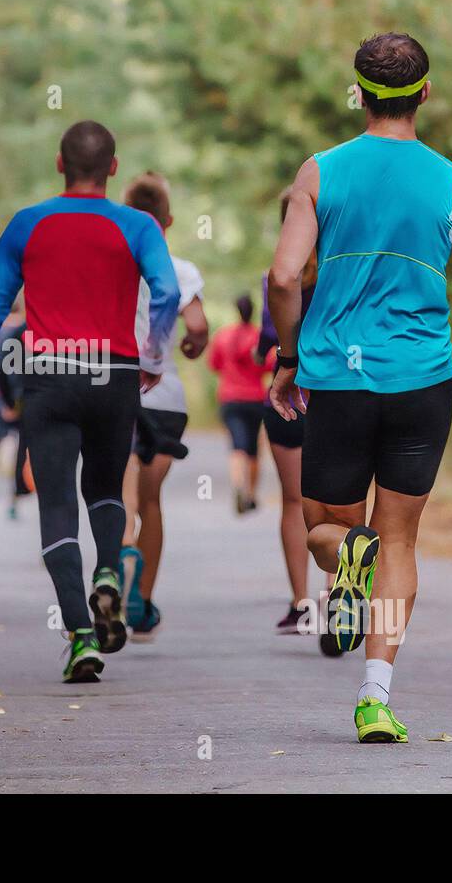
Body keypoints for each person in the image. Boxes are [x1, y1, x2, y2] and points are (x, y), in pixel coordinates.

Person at [267, 33, 452, 743]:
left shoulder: (319, 172)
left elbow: (284, 277)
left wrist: (288, 355)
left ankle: (347, 557)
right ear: (425, 93)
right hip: (422, 381)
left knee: (331, 527)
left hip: (340, 380)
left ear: (358, 92)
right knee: (400, 538)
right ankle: (375, 698)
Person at [0, 120, 180, 684]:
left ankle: (81, 635)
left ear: (60, 165)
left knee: (55, 502)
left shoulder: (27, 223)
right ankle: (108, 572)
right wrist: (153, 357)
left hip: (51, 377)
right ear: (113, 167)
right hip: (116, 377)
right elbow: (168, 291)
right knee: (106, 489)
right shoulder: (139, 224)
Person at [116, 172, 208, 641]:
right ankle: (143, 604)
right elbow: (196, 326)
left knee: (120, 491)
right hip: (166, 394)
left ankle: (122, 554)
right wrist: (194, 344)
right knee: (152, 501)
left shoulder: (112, 264)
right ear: (167, 221)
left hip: (116, 389)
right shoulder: (182, 269)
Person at [258, 189, 317, 634]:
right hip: (335, 396)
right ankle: (340, 598)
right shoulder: (341, 274)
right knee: (341, 504)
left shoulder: (276, 278)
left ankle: (301, 602)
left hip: (287, 402)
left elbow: (268, 344)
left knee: (293, 502)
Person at [207, 295, 273, 514]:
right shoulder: (259, 337)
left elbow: (214, 364)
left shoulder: (223, 336)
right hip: (255, 399)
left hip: (230, 398)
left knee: (237, 445)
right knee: (254, 447)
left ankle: (238, 486)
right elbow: (269, 366)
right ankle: (252, 494)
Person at [0, 298, 32, 519]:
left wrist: (5, 402)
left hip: (7, 397)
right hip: (31, 394)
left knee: (9, 443)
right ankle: (24, 488)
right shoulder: (30, 328)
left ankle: (14, 496)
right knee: (28, 445)